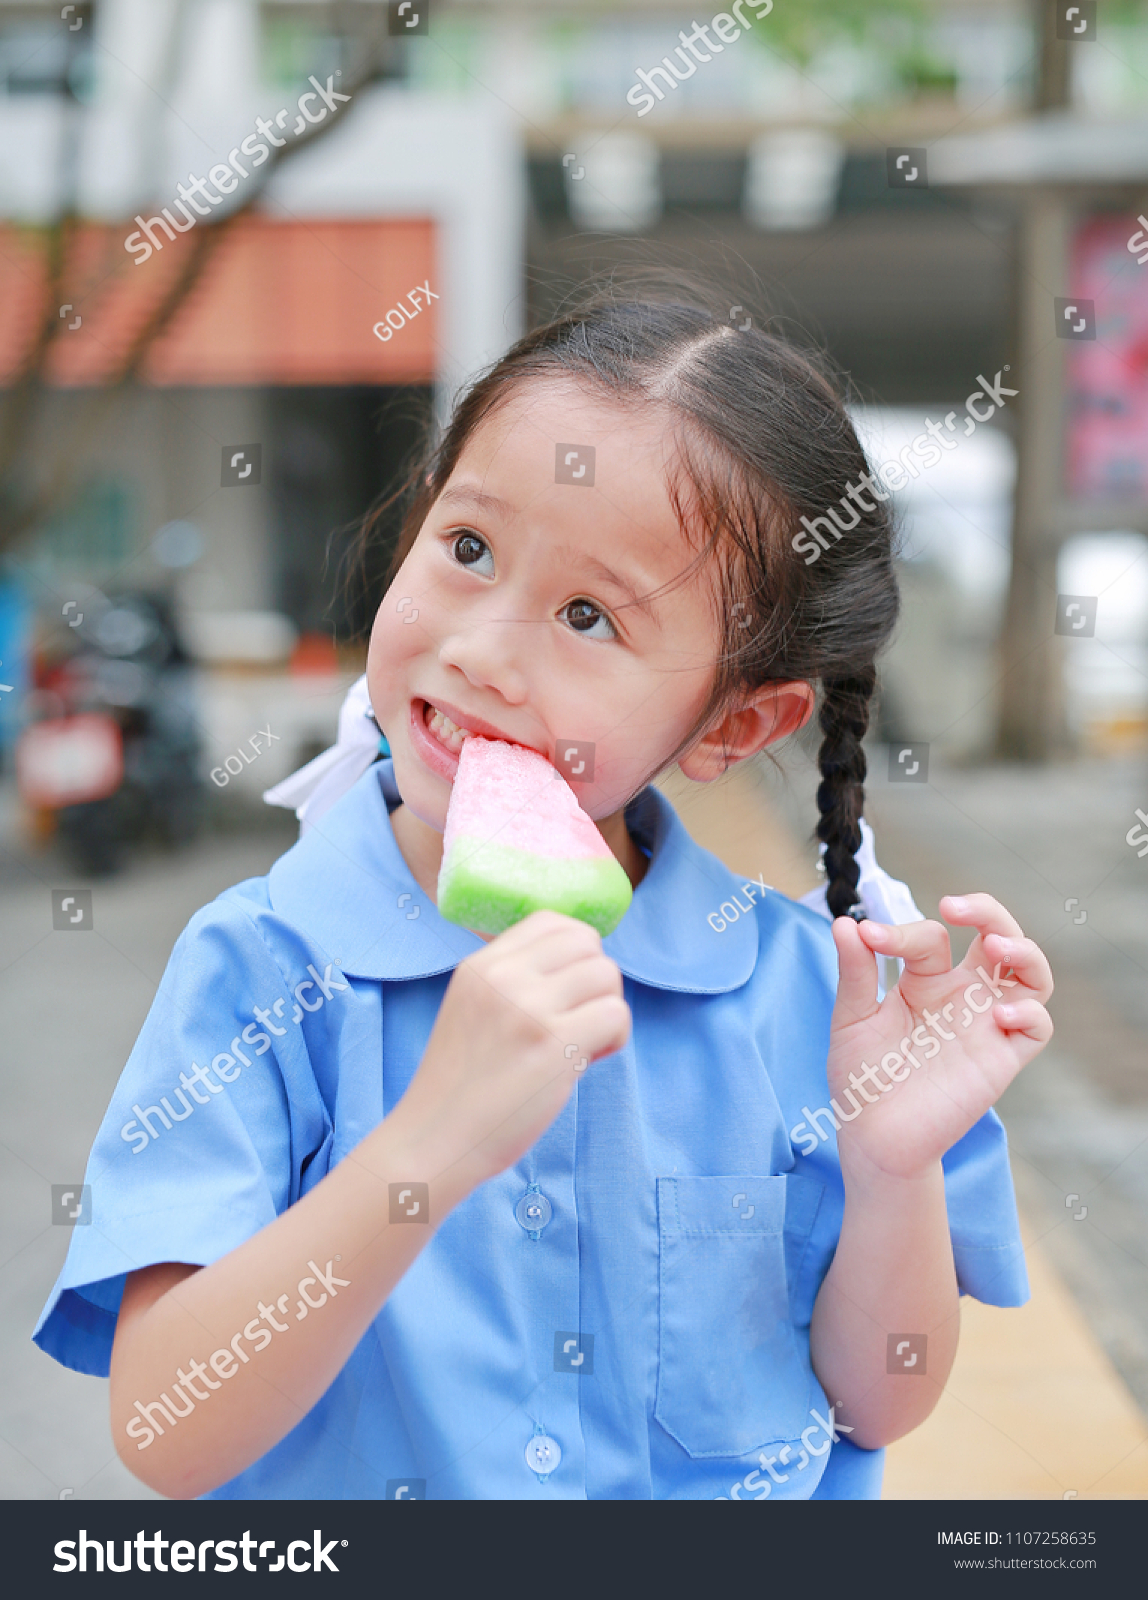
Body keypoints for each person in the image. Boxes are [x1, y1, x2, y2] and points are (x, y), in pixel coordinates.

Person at [34, 286, 1053, 1501]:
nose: (479, 649)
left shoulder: (813, 998)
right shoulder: (267, 967)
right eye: (466, 548)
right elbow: (166, 1430)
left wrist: (891, 1169)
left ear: (735, 722)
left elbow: (879, 1397)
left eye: (586, 616)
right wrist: (423, 1149)